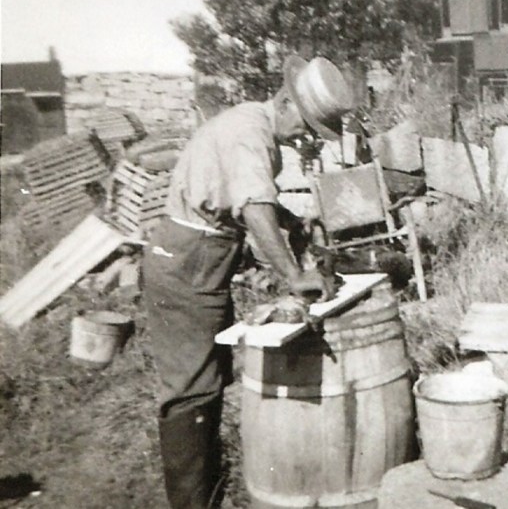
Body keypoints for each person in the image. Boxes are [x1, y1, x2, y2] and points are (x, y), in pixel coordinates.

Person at [140, 55, 358, 508]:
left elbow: (254, 200)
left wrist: (292, 222)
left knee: (209, 379)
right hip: (187, 261)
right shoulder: (250, 133)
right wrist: (294, 276)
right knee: (189, 389)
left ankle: (209, 489)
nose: (304, 140)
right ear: (285, 102)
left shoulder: (253, 126)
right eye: (307, 127)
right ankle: (192, 503)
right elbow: (252, 205)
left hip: (201, 260)